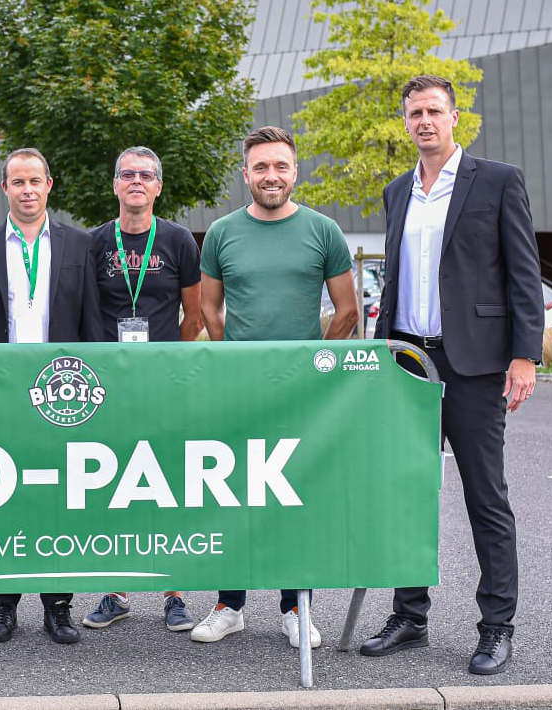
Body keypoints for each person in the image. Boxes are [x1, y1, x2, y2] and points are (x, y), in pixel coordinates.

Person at [360, 75, 543, 676]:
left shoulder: (497, 181)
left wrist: (525, 355)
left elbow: (523, 274)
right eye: (414, 113)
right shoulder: (397, 192)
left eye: (434, 111)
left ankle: (496, 627)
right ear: (405, 122)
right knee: (408, 491)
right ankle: (409, 615)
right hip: (409, 362)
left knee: (485, 497)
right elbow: (394, 280)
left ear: (455, 117)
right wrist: (382, 348)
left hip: (473, 364)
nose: (424, 122)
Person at [195, 126, 358, 647]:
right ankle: (230, 604)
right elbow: (208, 308)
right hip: (238, 388)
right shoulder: (221, 232)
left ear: (295, 171)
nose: (271, 176)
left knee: (294, 495)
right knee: (233, 493)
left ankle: (296, 607)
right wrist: (236, 360)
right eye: (260, 167)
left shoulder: (322, 230)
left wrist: (313, 364)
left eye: (280, 166)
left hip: (301, 393)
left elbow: (348, 310)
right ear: (245, 174)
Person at [0, 147, 105, 644]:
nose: (26, 190)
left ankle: (59, 605)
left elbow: (92, 324)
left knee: (61, 499)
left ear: (49, 185)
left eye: (35, 181)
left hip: (63, 392)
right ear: (5, 188)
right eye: (17, 182)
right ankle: (1, 605)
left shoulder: (79, 246)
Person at [82, 146, 202, 633]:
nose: (136, 181)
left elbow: (193, 315)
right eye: (126, 174)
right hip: (109, 386)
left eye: (145, 175)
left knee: (165, 483)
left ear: (157, 186)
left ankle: (174, 591)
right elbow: (85, 311)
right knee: (114, 484)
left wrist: (168, 360)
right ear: (114, 185)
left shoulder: (177, 241)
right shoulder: (94, 244)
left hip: (163, 383)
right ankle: (116, 590)